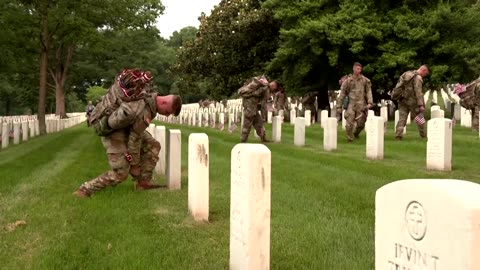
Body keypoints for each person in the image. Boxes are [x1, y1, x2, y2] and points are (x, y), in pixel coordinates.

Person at [73, 69, 182, 198]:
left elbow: (135, 133)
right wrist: (134, 165)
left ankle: (143, 182)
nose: (167, 115)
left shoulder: (149, 97)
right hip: (114, 132)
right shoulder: (143, 110)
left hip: (125, 127)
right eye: (168, 111)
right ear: (164, 102)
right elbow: (134, 140)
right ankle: (85, 189)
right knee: (121, 173)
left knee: (153, 145)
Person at [336, 62, 373, 142]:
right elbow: (342, 94)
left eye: (360, 69)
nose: (359, 70)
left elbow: (368, 91)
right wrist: (339, 106)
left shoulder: (365, 80)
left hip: (361, 105)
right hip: (351, 105)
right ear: (353, 68)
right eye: (357, 69)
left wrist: (370, 102)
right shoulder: (348, 81)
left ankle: (356, 133)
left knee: (361, 124)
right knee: (349, 123)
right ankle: (349, 138)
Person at [394, 65, 430, 140]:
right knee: (420, 119)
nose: (425, 75)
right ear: (423, 70)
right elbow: (418, 92)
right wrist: (421, 105)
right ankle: (424, 136)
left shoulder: (406, 74)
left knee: (402, 119)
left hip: (402, 99)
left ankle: (398, 135)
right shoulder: (418, 78)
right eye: (425, 73)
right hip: (413, 102)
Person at [238, 75, 278, 142]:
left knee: (258, 123)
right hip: (250, 106)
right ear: (274, 85)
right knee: (247, 123)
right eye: (275, 88)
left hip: (251, 105)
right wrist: (263, 117)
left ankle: (263, 138)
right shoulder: (266, 89)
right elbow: (263, 104)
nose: (274, 90)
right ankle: (243, 140)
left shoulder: (264, 86)